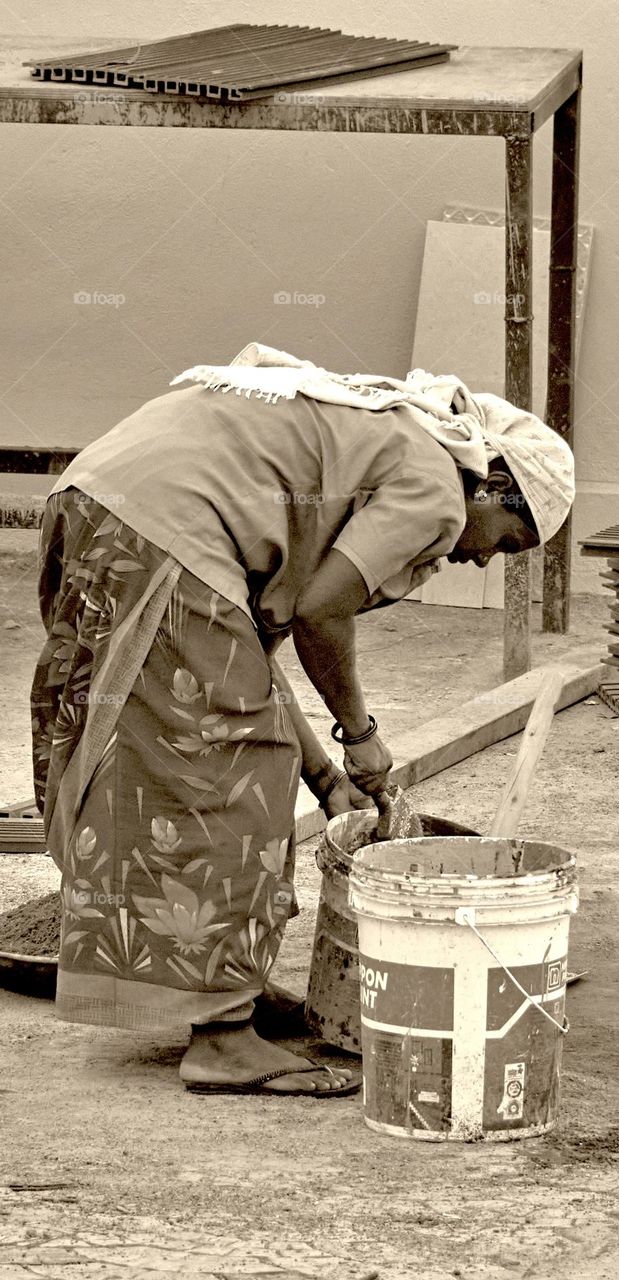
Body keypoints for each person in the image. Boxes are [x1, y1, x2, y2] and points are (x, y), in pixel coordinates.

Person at [30, 343, 575, 1096]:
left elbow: (248, 659)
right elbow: (323, 613)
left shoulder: (378, 444)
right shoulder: (438, 487)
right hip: (164, 524)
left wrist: (326, 779)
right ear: (495, 488)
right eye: (509, 542)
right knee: (229, 771)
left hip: (98, 497)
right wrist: (362, 739)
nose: (486, 561)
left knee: (205, 746)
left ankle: (228, 991)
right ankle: (220, 1038)